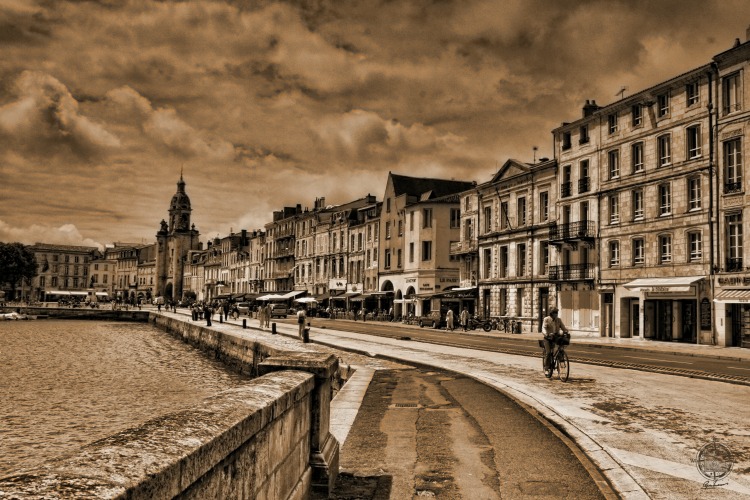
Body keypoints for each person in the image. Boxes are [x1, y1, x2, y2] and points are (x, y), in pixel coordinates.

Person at [542, 307, 569, 378]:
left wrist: (566, 331)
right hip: (547, 338)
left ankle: (561, 364)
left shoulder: (558, 320)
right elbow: (543, 328)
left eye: (556, 313)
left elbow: (563, 327)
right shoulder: (546, 319)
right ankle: (546, 368)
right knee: (548, 353)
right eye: (554, 313)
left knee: (560, 349)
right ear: (551, 313)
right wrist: (547, 334)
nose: (556, 314)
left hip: (555, 337)